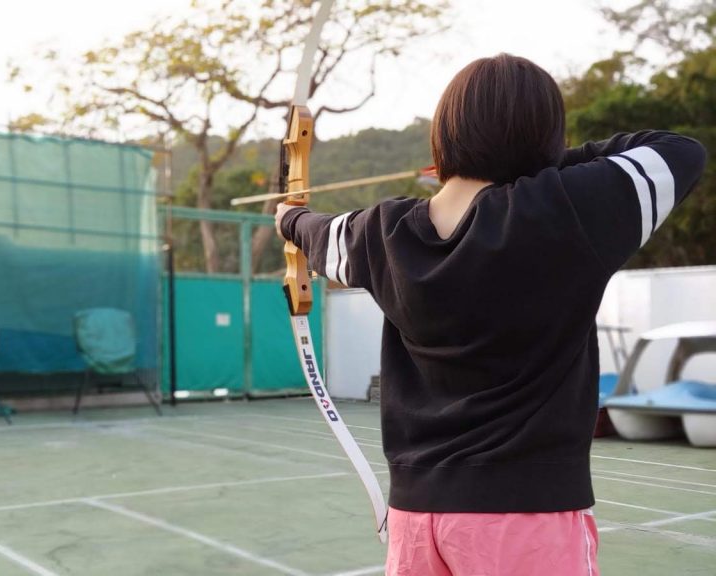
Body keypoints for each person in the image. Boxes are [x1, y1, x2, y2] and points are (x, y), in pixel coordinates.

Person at [275, 53, 707, 576]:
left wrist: (290, 216)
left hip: (416, 518)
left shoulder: (381, 231)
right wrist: (548, 162)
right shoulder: (563, 209)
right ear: (543, 140)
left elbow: (319, 233)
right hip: (524, 515)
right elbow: (678, 152)